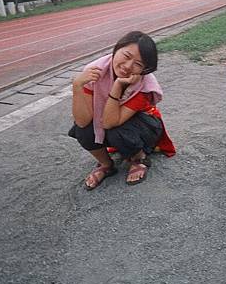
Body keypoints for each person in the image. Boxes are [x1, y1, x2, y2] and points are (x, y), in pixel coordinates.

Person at [69, 31, 175, 190]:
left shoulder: (143, 85)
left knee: (117, 130)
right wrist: (77, 87)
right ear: (116, 49)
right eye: (126, 56)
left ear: (145, 69)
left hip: (146, 127)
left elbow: (111, 122)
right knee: (82, 130)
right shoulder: (95, 71)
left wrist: (117, 86)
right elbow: (82, 121)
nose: (127, 66)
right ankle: (106, 165)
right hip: (111, 120)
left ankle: (139, 158)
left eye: (138, 64)